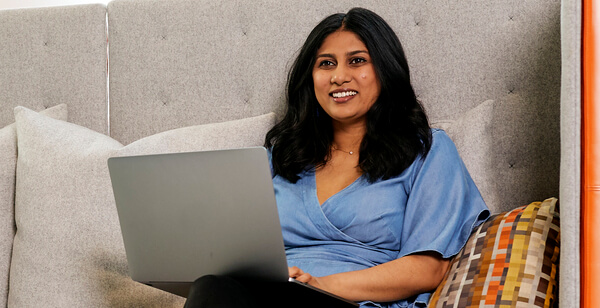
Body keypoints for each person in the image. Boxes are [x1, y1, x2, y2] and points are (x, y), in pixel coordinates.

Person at [184, 7, 489, 308]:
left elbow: (428, 268)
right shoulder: (281, 157)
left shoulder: (428, 150)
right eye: (326, 64)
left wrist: (320, 286)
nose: (339, 76)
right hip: (265, 297)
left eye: (357, 61)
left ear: (385, 70)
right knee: (211, 286)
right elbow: (234, 255)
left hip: (354, 302)